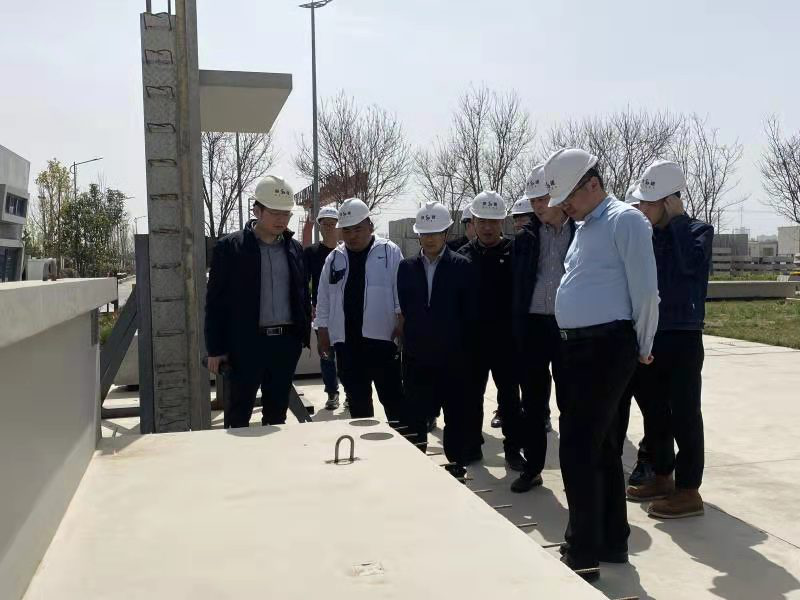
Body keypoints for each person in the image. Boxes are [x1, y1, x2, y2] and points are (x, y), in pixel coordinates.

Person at [544, 148, 659, 580]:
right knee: (605, 446)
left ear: (592, 184)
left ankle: (582, 551)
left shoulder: (624, 220)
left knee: (578, 447)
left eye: (568, 198)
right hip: (579, 348)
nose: (564, 207)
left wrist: (643, 344)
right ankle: (612, 540)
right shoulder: (586, 226)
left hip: (607, 346)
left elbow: (645, 290)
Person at [622, 160, 713, 519]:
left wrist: (677, 222)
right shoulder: (648, 235)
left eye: (649, 203)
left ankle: (689, 490)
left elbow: (691, 266)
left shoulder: (698, 231)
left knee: (685, 413)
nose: (642, 209)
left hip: (683, 335)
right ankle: (662, 476)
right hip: (651, 333)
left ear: (670, 202)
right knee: (654, 411)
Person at [205, 175, 311, 428]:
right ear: (257, 210)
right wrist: (215, 349)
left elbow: (301, 294)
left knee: (277, 416)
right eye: (274, 213)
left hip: (285, 344)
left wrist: (300, 337)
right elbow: (216, 302)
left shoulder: (294, 249)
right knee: (238, 415)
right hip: (245, 344)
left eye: (286, 214)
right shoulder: (231, 248)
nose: (281, 220)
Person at [397, 201, 477, 478]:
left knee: (456, 417)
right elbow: (406, 309)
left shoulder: (462, 266)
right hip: (417, 357)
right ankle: (416, 467)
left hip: (453, 358)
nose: (429, 238)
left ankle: (457, 466)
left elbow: (469, 314)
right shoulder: (406, 268)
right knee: (415, 416)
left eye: (435, 233)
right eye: (424, 233)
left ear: (446, 233)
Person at [510, 164, 575, 493]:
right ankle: (532, 468)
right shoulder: (525, 238)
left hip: (568, 326)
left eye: (543, 198)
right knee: (533, 403)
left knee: (571, 402)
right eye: (533, 200)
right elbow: (516, 286)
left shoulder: (581, 232)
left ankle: (574, 474)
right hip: (534, 325)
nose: (537, 206)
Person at [315, 198, 405, 422]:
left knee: (393, 398)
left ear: (370, 226)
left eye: (358, 229)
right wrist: (322, 330)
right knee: (357, 401)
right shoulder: (334, 258)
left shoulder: (389, 251)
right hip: (347, 343)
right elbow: (324, 297)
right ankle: (364, 441)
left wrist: (402, 322)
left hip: (383, 340)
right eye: (347, 230)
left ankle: (404, 439)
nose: (352, 235)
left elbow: (401, 291)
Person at [458, 191, 525, 470]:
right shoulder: (462, 257)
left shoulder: (515, 253)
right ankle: (472, 446)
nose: (487, 228)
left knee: (509, 398)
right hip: (472, 342)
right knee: (471, 397)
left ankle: (513, 450)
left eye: (493, 222)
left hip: (506, 341)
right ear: (473, 222)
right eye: (482, 221)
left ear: (502, 222)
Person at [303, 205, 342, 411]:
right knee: (326, 354)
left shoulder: (345, 251)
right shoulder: (311, 253)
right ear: (319, 226)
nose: (328, 228)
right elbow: (303, 281)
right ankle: (332, 393)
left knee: (346, 354)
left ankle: (351, 393)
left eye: (332, 224)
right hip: (322, 312)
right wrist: (308, 305)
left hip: (344, 311)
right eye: (325, 224)